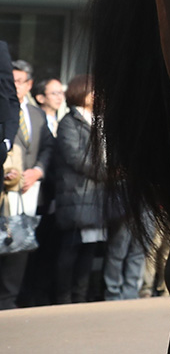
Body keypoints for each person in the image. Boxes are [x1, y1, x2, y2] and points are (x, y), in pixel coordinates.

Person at [0, 56, 49, 310]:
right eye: (11, 80)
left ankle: (9, 302)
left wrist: (38, 171)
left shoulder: (36, 114)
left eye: (20, 81)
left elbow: (48, 147)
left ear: (29, 85)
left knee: (21, 246)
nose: (15, 85)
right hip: (4, 192)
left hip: (28, 194)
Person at [52, 74, 105, 304]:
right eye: (92, 91)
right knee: (70, 250)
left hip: (95, 195)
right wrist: (107, 173)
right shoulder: (69, 122)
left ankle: (80, 298)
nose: (96, 96)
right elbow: (75, 157)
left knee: (88, 250)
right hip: (75, 193)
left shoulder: (98, 121)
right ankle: (63, 299)